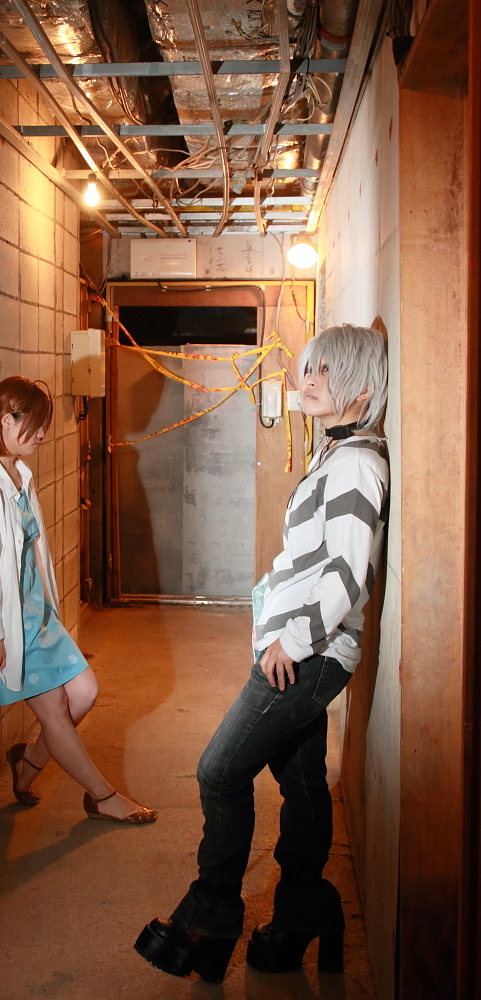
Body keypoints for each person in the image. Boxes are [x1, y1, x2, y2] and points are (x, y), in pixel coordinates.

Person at [134, 324, 389, 982]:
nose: (307, 380)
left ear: (363, 389)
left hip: (308, 654)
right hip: (300, 647)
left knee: (219, 771)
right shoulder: (338, 454)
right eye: (309, 368)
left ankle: (210, 914)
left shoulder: (357, 466)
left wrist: (291, 640)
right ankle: (306, 912)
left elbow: (346, 574)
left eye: (325, 372)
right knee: (301, 785)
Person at [0, 375, 156, 824]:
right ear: (7, 421)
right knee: (57, 715)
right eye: (36, 424)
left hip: (38, 615)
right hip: (13, 623)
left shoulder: (18, 474)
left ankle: (27, 763)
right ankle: (102, 797)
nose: (44, 434)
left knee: (84, 693)